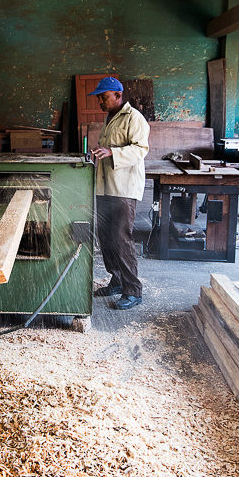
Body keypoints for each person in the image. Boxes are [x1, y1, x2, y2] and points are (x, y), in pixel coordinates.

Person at [89, 76, 150, 310]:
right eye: (99, 98)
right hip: (106, 186)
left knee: (122, 238)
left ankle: (133, 290)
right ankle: (116, 279)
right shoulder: (111, 118)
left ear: (118, 95)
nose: (100, 102)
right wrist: (102, 152)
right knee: (106, 236)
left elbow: (140, 149)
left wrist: (112, 152)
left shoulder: (134, 118)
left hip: (124, 188)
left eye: (104, 97)